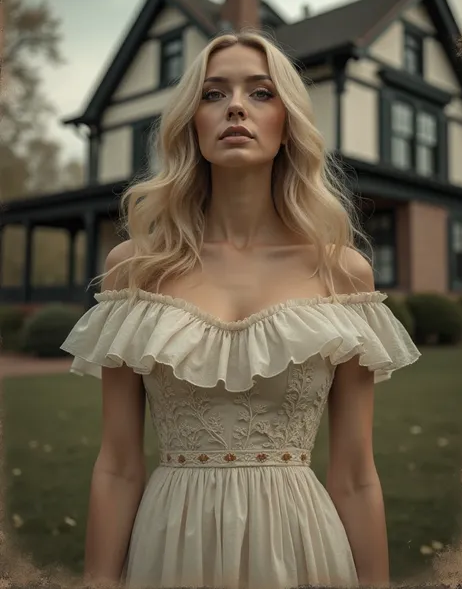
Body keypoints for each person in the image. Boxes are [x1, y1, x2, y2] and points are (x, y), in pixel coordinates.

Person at [61, 30, 421, 589]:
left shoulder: (342, 273)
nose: (234, 106)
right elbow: (117, 464)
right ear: (192, 125)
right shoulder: (135, 268)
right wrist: (99, 581)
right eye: (212, 94)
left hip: (300, 544)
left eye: (260, 93)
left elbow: (354, 476)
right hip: (170, 542)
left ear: (288, 122)